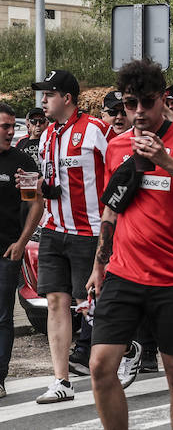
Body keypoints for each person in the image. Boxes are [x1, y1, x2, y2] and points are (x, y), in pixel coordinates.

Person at [87, 60, 173, 430]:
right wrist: (99, 264)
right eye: (131, 104)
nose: (139, 112)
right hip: (124, 273)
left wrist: (166, 160)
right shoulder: (116, 147)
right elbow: (112, 208)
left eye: (147, 102)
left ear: (163, 99)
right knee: (100, 367)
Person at [29, 70, 110, 403]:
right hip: (53, 229)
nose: (43, 101)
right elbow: (52, 184)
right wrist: (40, 187)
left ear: (66, 97)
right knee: (55, 302)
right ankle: (61, 379)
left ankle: (119, 354)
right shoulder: (47, 135)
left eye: (48, 95)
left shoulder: (95, 130)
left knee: (92, 304)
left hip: (88, 231)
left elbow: (118, 171)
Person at [0, 103, 42, 400]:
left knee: (2, 317)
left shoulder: (19, 162)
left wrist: (22, 242)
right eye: (4, 126)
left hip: (6, 252)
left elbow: (35, 204)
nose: (9, 132)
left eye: (12, 126)